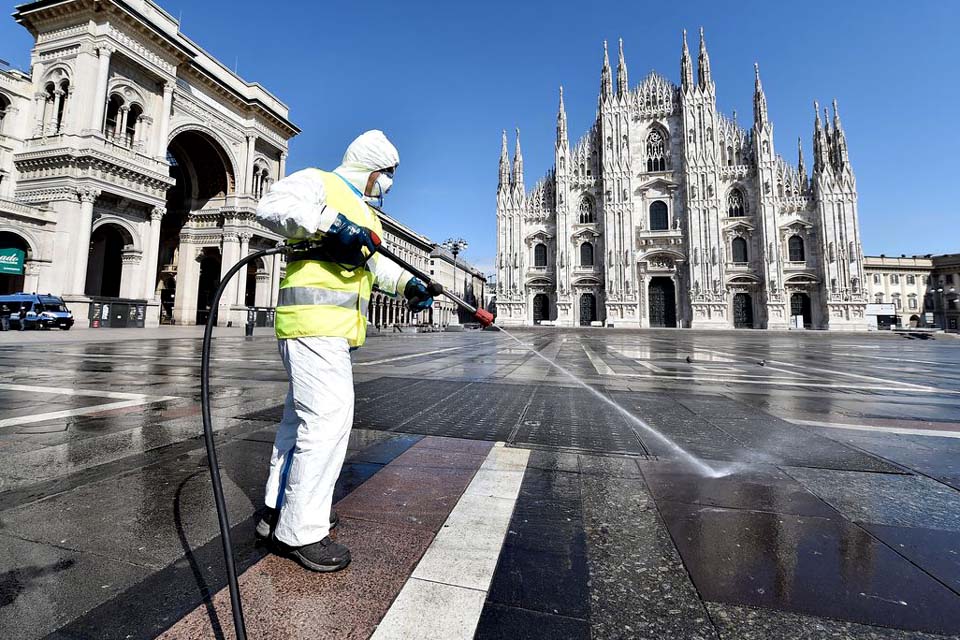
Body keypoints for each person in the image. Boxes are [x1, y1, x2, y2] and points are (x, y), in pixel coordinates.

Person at [253, 130, 433, 572]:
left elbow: (373, 264)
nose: (388, 183)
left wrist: (407, 283)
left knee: (299, 422)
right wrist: (330, 223)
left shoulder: (362, 211)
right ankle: (302, 531)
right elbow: (272, 207)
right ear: (370, 168)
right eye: (387, 174)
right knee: (328, 421)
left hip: (329, 330)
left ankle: (278, 507)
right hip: (313, 325)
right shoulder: (318, 182)